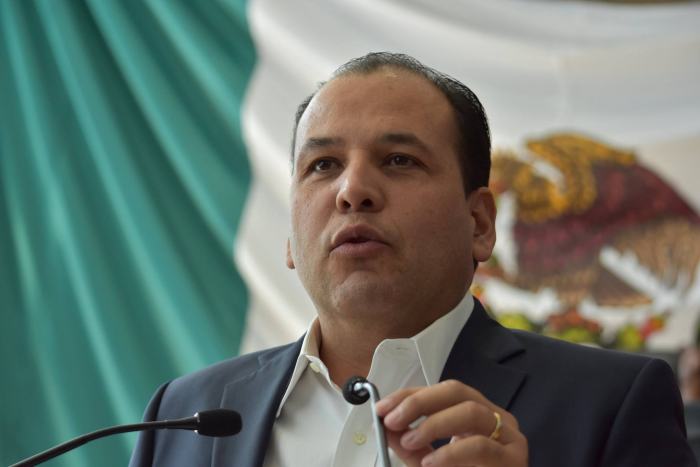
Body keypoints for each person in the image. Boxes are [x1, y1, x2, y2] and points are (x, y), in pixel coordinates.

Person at [129, 52, 695, 467]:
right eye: (323, 165)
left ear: (479, 223)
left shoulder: (610, 404)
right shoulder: (183, 414)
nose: (353, 190)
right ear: (289, 239)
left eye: (399, 160)